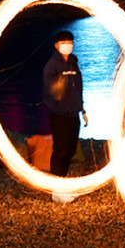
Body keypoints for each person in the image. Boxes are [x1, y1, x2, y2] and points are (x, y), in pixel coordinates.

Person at [43, 30, 88, 203]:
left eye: (69, 42)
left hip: (74, 114)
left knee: (69, 151)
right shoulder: (52, 66)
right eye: (63, 42)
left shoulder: (74, 64)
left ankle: (62, 184)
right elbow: (49, 89)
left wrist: (82, 109)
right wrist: (57, 89)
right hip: (59, 114)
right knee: (60, 150)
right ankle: (56, 190)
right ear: (56, 45)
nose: (67, 45)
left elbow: (78, 88)